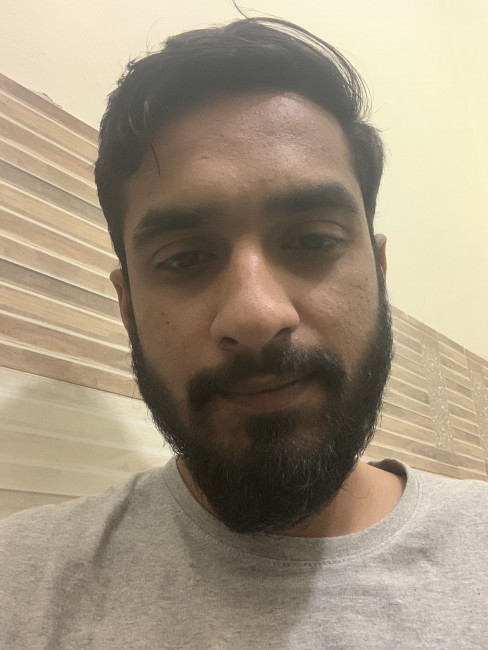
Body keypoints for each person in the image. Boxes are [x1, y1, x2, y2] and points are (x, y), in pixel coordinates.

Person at [1, 18, 486, 649]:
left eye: (313, 240)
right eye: (184, 258)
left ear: (379, 270)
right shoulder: (21, 584)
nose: (256, 315)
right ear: (128, 306)